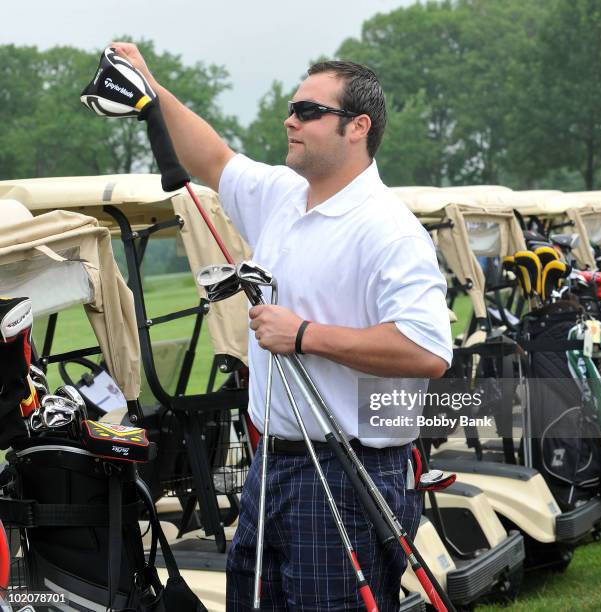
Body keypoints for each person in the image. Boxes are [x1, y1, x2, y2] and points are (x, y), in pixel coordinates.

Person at [112, 42, 453, 611]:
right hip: (271, 465)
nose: (290, 119)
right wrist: (149, 84)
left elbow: (426, 350)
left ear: (357, 127)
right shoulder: (282, 196)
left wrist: (303, 335)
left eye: (308, 110)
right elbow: (214, 158)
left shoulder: (389, 230)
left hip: (348, 474)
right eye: (292, 107)